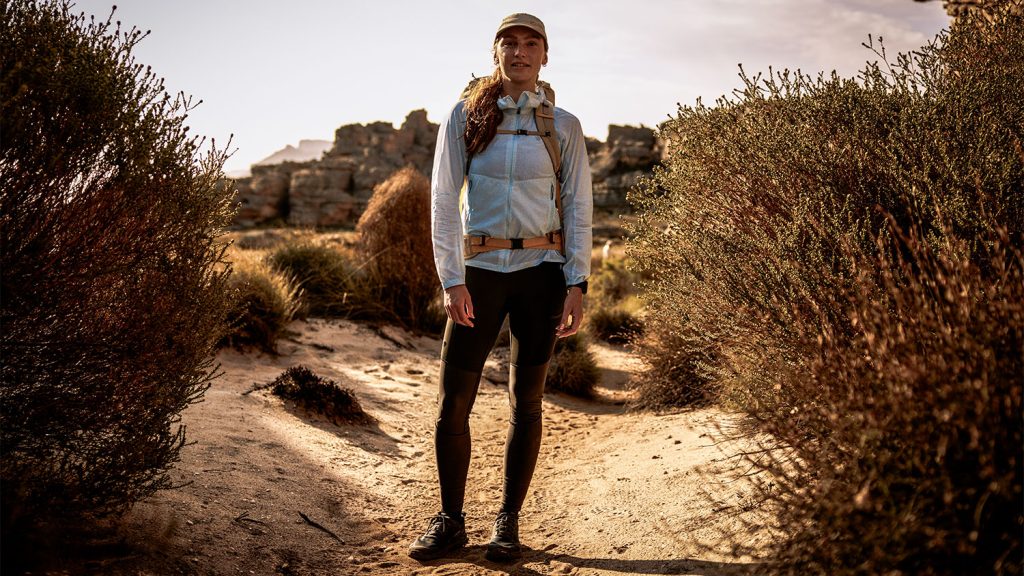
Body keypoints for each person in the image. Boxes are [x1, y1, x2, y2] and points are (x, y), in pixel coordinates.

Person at [408, 12, 593, 563]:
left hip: (542, 275)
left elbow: (578, 207)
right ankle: (451, 521)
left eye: (530, 43)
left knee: (526, 403)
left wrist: (577, 282)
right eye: (508, 43)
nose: (519, 52)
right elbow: (443, 199)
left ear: (544, 54)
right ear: (496, 53)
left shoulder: (564, 127)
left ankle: (507, 524)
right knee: (453, 404)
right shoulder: (465, 116)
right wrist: (452, 278)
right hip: (480, 275)